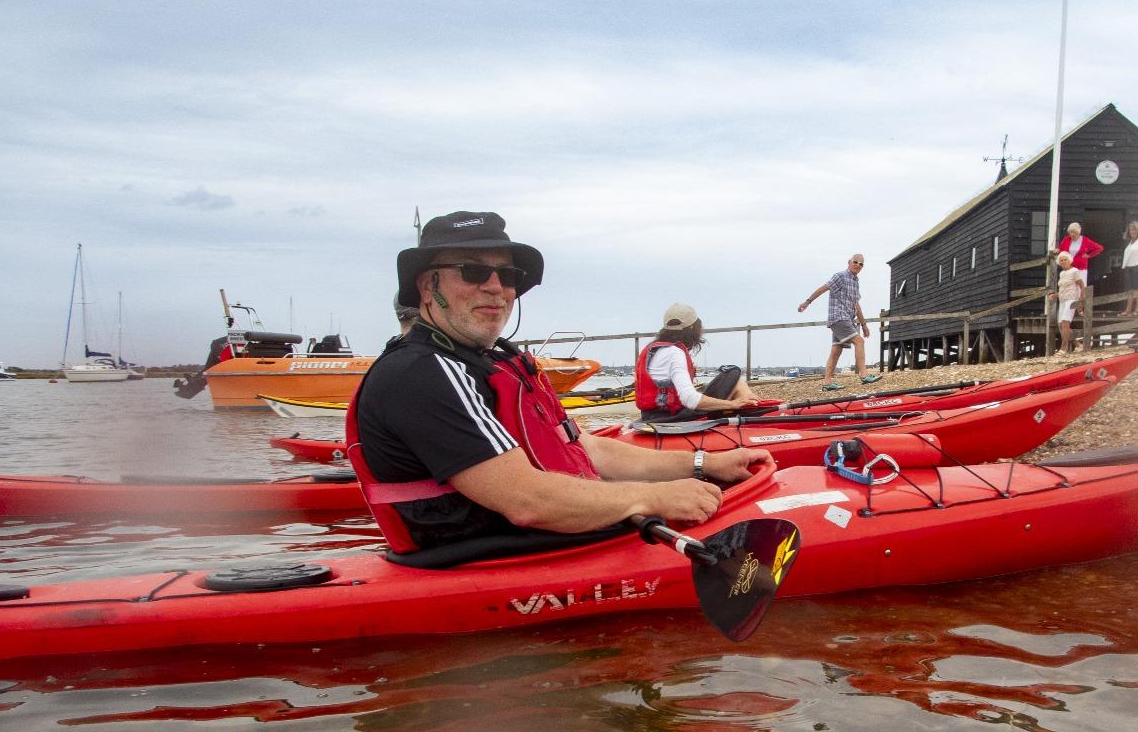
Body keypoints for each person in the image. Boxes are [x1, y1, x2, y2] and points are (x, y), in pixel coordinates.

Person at [351, 211, 772, 552]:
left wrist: (703, 464)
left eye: (508, 275)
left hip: (544, 534)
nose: (497, 288)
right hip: (485, 556)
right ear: (428, 285)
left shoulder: (497, 360)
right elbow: (527, 501)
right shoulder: (422, 373)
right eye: (473, 271)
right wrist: (654, 498)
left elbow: (585, 449)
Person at [635, 304, 758, 421]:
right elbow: (689, 399)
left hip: (650, 415)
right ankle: (756, 415)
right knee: (733, 374)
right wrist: (732, 404)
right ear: (693, 328)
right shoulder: (675, 353)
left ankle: (752, 408)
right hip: (672, 417)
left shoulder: (654, 350)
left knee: (737, 382)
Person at [798, 253, 881, 391]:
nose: (858, 265)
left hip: (846, 318)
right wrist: (808, 302)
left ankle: (827, 383)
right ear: (849, 262)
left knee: (836, 350)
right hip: (838, 316)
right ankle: (864, 375)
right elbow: (823, 288)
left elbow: (856, 305)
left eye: (861, 264)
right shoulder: (840, 276)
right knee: (859, 341)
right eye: (855, 262)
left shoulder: (856, 281)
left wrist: (864, 324)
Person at [1047, 251, 1086, 354]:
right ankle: (1078, 344)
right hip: (1063, 300)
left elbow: (1082, 286)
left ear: (1069, 261)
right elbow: (1062, 290)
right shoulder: (1062, 273)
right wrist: (1054, 295)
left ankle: (1063, 348)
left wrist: (1081, 301)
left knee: (1065, 322)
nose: (1063, 262)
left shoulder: (1074, 271)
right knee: (1061, 324)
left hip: (1072, 299)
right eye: (1061, 260)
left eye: (1065, 260)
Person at [1117, 221, 1138, 318]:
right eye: (1131, 230)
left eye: (1134, 229)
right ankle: (1128, 310)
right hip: (1130, 267)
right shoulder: (1131, 242)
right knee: (1130, 289)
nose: (1132, 232)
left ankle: (1137, 310)